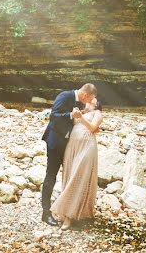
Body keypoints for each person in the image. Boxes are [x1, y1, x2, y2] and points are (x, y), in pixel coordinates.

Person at [40, 83, 97, 226]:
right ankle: (46, 213)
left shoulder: (80, 102)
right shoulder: (65, 96)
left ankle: (68, 211)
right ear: (85, 95)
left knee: (70, 176)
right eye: (90, 99)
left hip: (69, 145)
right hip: (55, 142)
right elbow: (53, 116)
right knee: (51, 175)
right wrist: (71, 115)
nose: (89, 103)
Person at [50, 96, 102, 229]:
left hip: (86, 147)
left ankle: (68, 216)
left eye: (92, 101)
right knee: (68, 176)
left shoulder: (97, 113)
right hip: (72, 146)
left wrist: (81, 117)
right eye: (88, 100)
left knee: (77, 177)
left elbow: (92, 128)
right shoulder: (81, 111)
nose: (89, 102)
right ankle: (65, 212)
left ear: (96, 105)